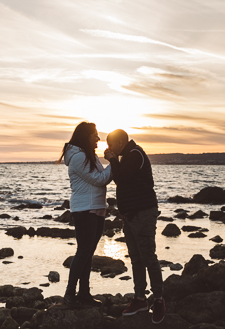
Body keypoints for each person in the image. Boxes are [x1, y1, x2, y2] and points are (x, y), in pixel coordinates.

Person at [104, 129, 165, 324]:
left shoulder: (135, 155)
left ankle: (158, 299)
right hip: (131, 215)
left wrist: (112, 160)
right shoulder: (129, 156)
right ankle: (140, 298)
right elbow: (123, 181)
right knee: (136, 258)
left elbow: (121, 178)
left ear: (121, 142)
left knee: (148, 256)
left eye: (111, 145)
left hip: (143, 213)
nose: (109, 149)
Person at [59, 121, 112, 308]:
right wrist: (114, 163)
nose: (98, 138)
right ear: (85, 136)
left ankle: (84, 293)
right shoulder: (78, 157)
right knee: (83, 252)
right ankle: (69, 294)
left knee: (88, 253)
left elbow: (99, 179)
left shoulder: (90, 156)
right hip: (84, 210)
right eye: (95, 135)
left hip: (96, 207)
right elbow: (99, 179)